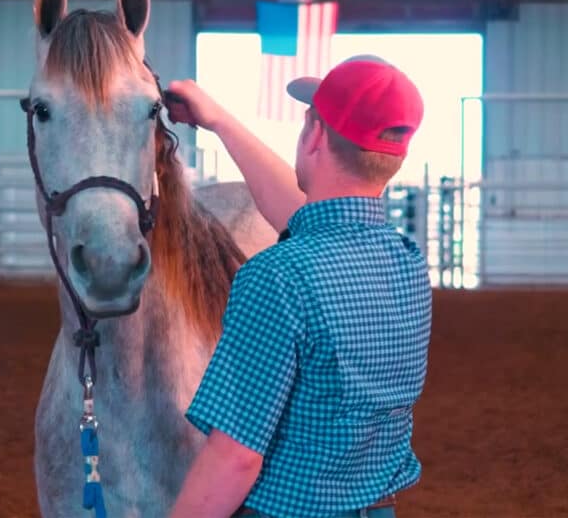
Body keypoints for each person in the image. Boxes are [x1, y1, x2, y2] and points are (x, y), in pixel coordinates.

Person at [165, 55, 433, 518]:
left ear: (315, 137)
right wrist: (220, 121)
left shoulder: (276, 277)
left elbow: (235, 458)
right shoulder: (405, 262)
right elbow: (315, 222)